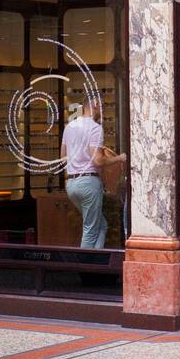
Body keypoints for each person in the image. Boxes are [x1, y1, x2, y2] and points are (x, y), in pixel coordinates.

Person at [62, 98, 124, 249]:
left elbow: (63, 156)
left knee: (100, 224)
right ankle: (86, 268)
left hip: (71, 185)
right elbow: (97, 161)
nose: (103, 111)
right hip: (88, 184)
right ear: (95, 106)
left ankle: (98, 261)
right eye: (102, 107)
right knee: (90, 229)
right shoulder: (95, 128)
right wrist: (119, 158)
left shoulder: (70, 126)